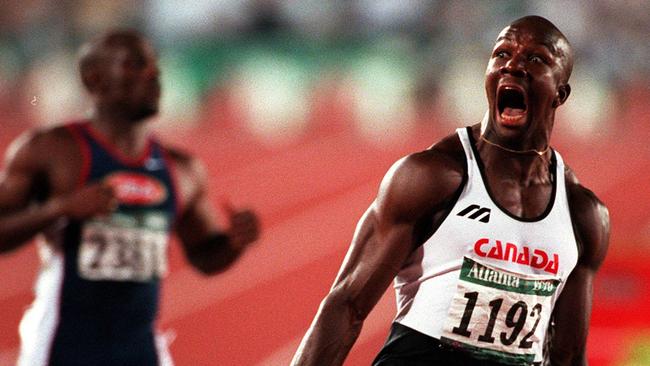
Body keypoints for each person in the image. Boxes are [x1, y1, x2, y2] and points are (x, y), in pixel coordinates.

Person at [291, 15, 609, 366]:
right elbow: (346, 304)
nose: (513, 66)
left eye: (536, 59)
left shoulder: (583, 213)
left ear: (560, 94)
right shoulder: (432, 176)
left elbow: (566, 353)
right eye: (501, 54)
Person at [0, 30, 260, 366]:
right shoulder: (51, 150)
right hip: (60, 348)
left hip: (141, 351)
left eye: (154, 66)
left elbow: (205, 255)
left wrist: (234, 243)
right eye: (134, 65)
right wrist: (59, 209)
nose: (152, 75)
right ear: (94, 79)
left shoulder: (181, 169)